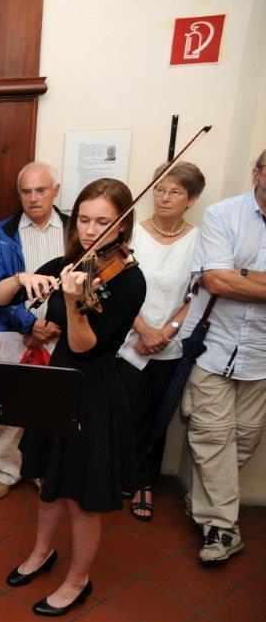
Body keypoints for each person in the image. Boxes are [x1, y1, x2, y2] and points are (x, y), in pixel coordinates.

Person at [0, 178, 145, 617]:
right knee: (47, 483)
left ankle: (78, 580)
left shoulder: (130, 280)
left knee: (80, 498)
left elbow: (82, 346)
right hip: (56, 383)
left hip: (93, 391)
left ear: (122, 224)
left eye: (103, 221)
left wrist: (75, 304)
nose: (91, 230)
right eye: (84, 219)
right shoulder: (69, 263)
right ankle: (43, 552)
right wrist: (20, 278)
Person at [180, 150, 266, 563]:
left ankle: (204, 505)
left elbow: (229, 276)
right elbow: (216, 279)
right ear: (257, 173)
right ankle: (222, 529)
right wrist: (232, 276)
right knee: (212, 437)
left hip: (261, 356)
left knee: (243, 440)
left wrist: (241, 273)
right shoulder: (223, 215)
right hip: (215, 347)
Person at [116, 161, 205, 522]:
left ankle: (144, 482)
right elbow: (115, 287)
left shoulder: (199, 240)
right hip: (129, 340)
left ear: (191, 199)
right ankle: (127, 476)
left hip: (171, 343)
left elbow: (196, 295)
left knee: (159, 416)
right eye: (159, 189)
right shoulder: (132, 233)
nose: (164, 197)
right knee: (130, 413)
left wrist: (165, 332)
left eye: (175, 192)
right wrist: (143, 329)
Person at [0, 162, 68, 500]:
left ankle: (42, 471)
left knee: (51, 408)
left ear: (55, 191)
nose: (34, 198)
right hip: (13, 333)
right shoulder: (2, 232)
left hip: (60, 335)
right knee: (7, 410)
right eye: (26, 191)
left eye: (41, 190)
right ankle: (6, 471)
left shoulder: (74, 229)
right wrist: (29, 324)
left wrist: (55, 326)